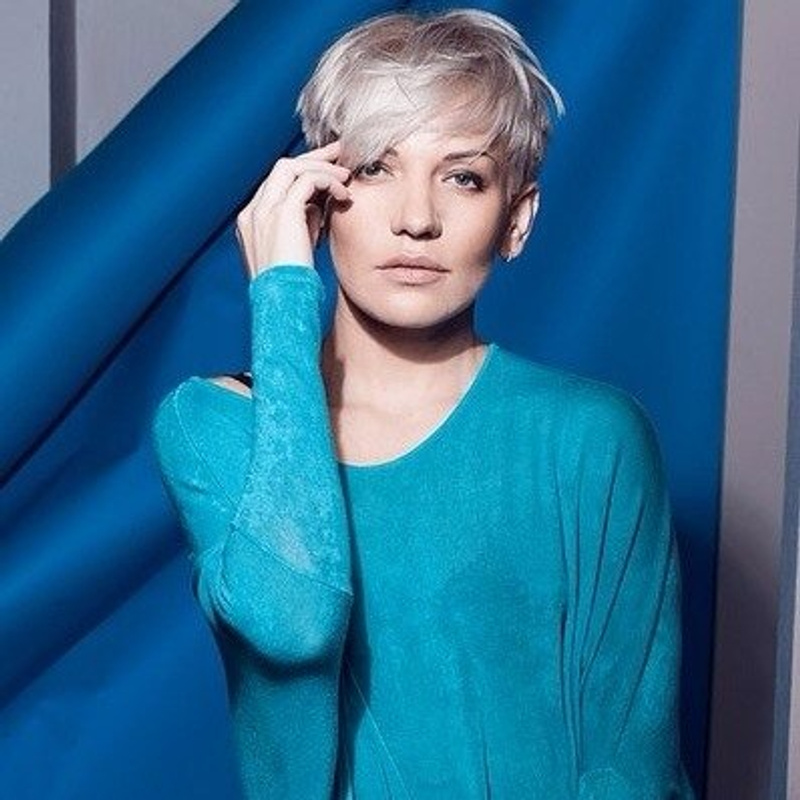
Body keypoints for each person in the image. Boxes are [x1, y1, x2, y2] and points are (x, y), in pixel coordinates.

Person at [152, 8, 694, 799]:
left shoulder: (590, 438)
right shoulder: (215, 423)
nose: (416, 219)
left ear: (516, 220)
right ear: (317, 195)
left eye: (463, 177)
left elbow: (631, 767)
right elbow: (294, 625)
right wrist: (282, 292)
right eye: (376, 168)